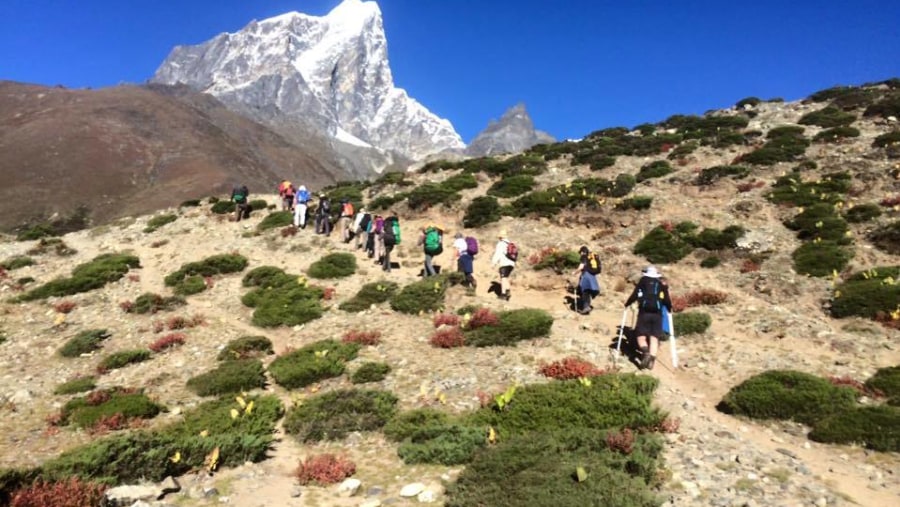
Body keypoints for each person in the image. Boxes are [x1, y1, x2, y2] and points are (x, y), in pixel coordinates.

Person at [624, 265, 673, 370]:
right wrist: (669, 308)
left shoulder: (643, 281)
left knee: (640, 336)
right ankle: (651, 361)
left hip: (644, 313)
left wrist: (627, 304)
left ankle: (645, 353)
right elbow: (666, 299)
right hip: (657, 314)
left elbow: (635, 295)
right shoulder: (660, 284)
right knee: (654, 338)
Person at [570, 246, 601, 314]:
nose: (580, 254)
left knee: (585, 291)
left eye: (580, 253)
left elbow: (581, 267)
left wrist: (574, 272)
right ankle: (587, 306)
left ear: (582, 252)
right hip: (592, 276)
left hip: (586, 276)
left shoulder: (584, 256)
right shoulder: (592, 257)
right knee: (589, 291)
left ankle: (586, 307)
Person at [491, 229, 517, 301]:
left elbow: (497, 254)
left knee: (503, 278)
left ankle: (503, 294)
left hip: (504, 263)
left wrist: (494, 263)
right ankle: (508, 291)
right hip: (511, 263)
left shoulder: (501, 244)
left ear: (500, 237)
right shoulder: (510, 243)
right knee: (505, 277)